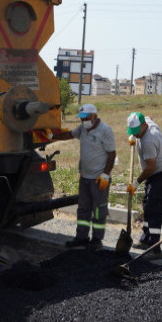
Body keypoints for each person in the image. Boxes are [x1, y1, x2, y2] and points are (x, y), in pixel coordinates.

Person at [51, 103, 116, 251]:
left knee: (98, 210)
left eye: (85, 118)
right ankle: (82, 237)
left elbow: (112, 155)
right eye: (81, 119)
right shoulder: (83, 129)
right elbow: (69, 134)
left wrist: (105, 174)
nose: (83, 121)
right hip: (85, 178)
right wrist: (52, 136)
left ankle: (97, 240)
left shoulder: (105, 131)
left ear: (94, 116)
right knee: (83, 209)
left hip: (99, 179)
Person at [125, 112, 162, 260]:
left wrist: (136, 183)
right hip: (154, 175)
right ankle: (146, 239)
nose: (136, 135)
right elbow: (148, 116)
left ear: (144, 126)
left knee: (155, 211)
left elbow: (150, 167)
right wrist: (134, 137)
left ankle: (155, 248)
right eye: (133, 132)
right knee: (147, 206)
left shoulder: (149, 140)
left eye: (137, 132)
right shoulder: (146, 122)